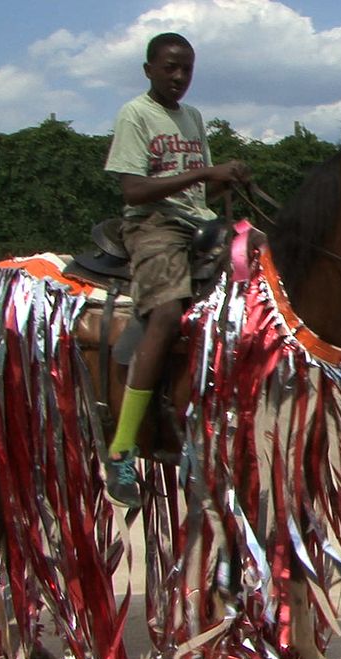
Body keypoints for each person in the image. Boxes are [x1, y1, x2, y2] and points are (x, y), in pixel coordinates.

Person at [102, 32, 249, 506]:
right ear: (149, 69)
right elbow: (132, 190)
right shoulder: (135, 115)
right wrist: (206, 173)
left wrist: (226, 183)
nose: (179, 77)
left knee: (262, 281)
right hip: (153, 226)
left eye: (186, 68)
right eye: (169, 67)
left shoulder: (193, 118)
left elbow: (199, 194)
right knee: (166, 314)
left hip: (198, 223)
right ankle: (123, 449)